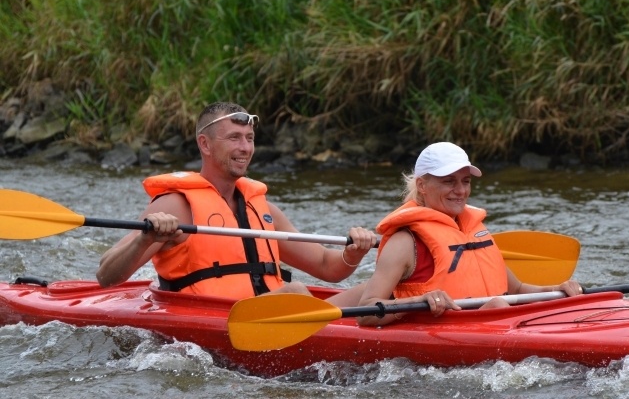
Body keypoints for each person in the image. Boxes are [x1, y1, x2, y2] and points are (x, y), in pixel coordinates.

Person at [96, 101, 376, 305]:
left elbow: (328, 266)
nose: (245, 148)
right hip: (219, 319)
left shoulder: (263, 210)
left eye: (249, 138)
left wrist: (353, 254)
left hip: (278, 315)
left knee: (382, 289)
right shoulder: (176, 205)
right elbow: (107, 276)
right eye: (234, 138)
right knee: (297, 293)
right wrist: (146, 239)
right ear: (205, 144)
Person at [356, 141, 583, 326]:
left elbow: (518, 290)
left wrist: (555, 289)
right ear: (422, 185)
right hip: (446, 334)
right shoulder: (405, 242)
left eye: (465, 181)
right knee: (498, 306)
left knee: (499, 305)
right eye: (449, 182)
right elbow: (365, 312)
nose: (461, 191)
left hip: (495, 322)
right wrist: (417, 300)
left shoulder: (473, 232)